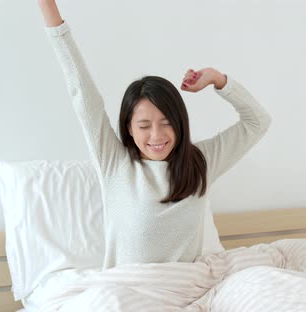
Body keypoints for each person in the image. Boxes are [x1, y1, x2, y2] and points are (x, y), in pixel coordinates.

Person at [37, 0, 272, 269]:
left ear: (180, 122)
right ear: (129, 128)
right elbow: (82, 91)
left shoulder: (201, 162)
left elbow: (258, 122)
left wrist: (219, 80)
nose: (157, 136)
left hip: (187, 289)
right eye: (144, 126)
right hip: (130, 293)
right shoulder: (115, 162)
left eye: (166, 122)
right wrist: (50, 11)